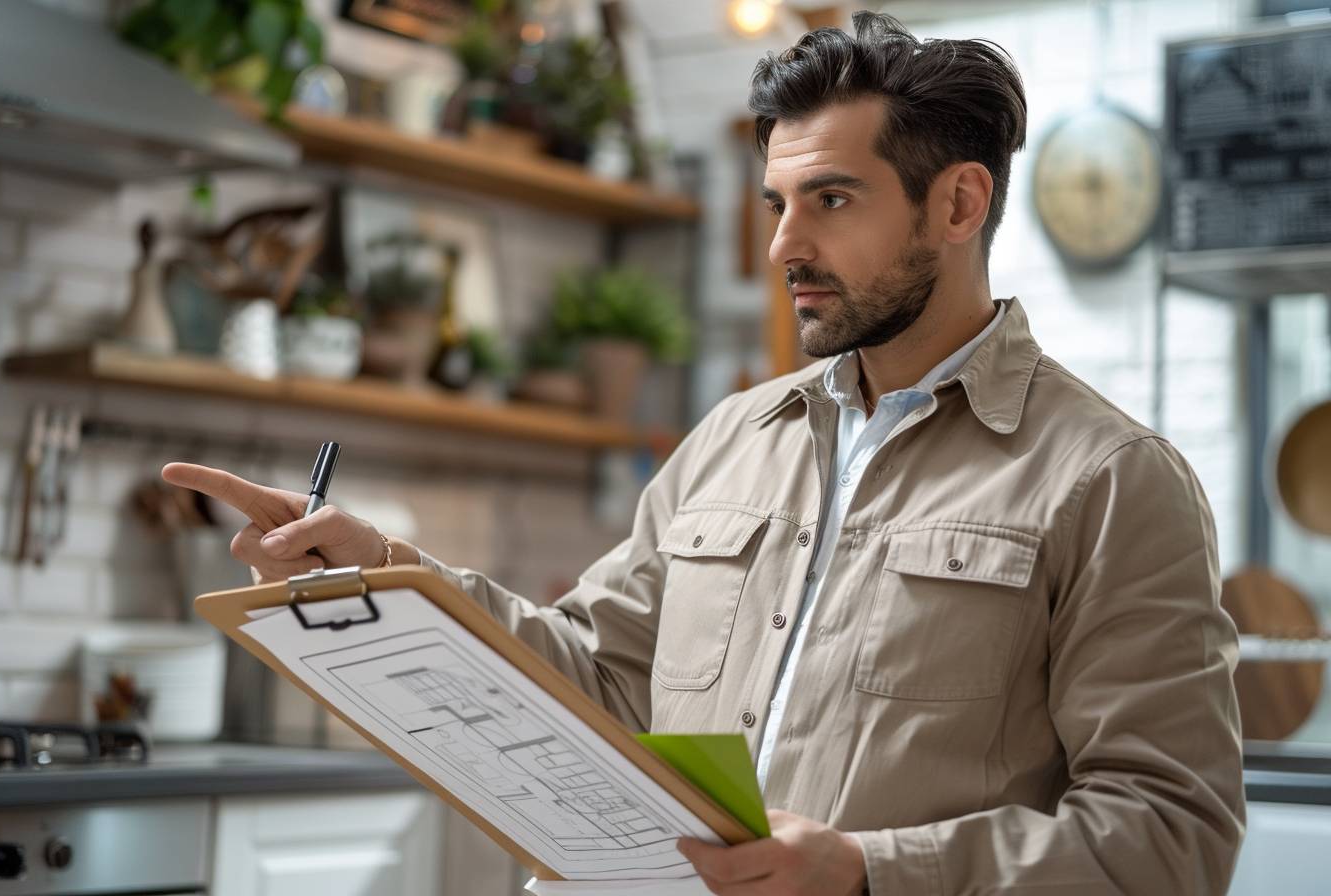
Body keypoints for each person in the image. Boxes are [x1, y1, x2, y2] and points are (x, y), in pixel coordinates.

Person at [165, 12, 1245, 895]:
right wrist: (379, 571)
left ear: (958, 201)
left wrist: (870, 871)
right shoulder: (734, 437)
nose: (785, 245)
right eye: (778, 203)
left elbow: (1170, 836)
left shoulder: (1110, 479)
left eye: (830, 199)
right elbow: (590, 673)